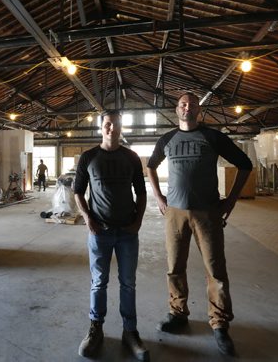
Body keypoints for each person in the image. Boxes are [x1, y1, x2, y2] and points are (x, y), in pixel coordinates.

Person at [147, 92, 252, 357]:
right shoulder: (167, 139)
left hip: (208, 213)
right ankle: (178, 314)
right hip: (175, 213)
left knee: (215, 269)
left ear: (198, 110)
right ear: (177, 109)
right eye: (183, 104)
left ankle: (219, 324)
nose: (187, 107)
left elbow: (245, 164)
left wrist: (231, 201)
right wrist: (160, 198)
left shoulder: (213, 137)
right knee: (174, 267)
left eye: (192, 104)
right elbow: (150, 166)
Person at [74, 109, 149, 361]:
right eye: (107, 124)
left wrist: (137, 222)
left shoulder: (131, 157)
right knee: (99, 282)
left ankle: (130, 332)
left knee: (128, 283)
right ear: (101, 127)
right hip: (100, 232)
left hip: (127, 232)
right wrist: (87, 219)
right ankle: (96, 330)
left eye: (116, 125)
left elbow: (141, 192)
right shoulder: (88, 157)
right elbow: (77, 192)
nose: (112, 129)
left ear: (121, 128)